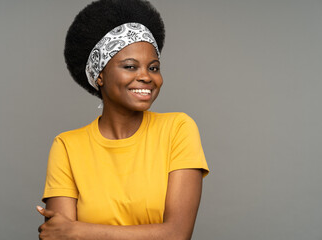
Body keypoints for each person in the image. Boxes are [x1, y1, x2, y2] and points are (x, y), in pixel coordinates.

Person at [37, 0, 209, 239]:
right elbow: (59, 235)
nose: (146, 77)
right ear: (100, 76)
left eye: (153, 67)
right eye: (130, 66)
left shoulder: (178, 129)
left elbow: (177, 234)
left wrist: (78, 230)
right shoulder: (67, 146)